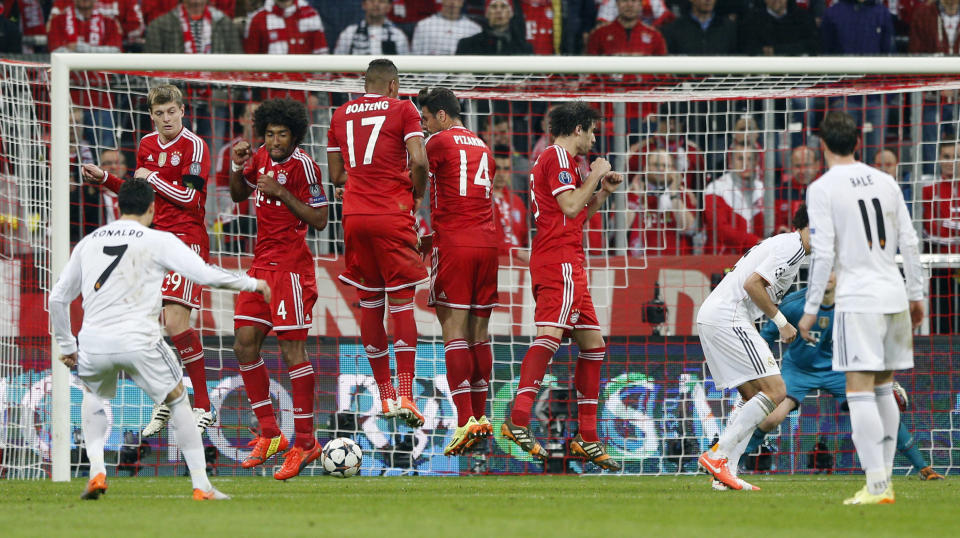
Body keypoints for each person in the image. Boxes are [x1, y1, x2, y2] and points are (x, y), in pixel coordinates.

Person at [50, 178, 270, 501]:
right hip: (140, 340)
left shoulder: (89, 242)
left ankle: (97, 469)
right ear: (153, 209)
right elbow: (205, 274)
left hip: (93, 341)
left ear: (120, 207)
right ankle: (202, 486)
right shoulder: (157, 239)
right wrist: (250, 284)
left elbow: (57, 299)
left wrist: (68, 346)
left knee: (94, 394)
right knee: (178, 399)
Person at [798, 111, 925, 505]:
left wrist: (810, 307)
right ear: (857, 142)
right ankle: (883, 481)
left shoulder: (822, 188)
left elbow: (822, 254)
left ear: (822, 147)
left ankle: (876, 485)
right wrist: (917, 294)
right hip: (893, 294)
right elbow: (910, 240)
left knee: (859, 391)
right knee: (884, 387)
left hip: (859, 298)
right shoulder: (886, 181)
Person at [84, 85, 216, 438]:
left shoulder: (195, 146)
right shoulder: (146, 145)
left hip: (186, 242)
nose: (166, 119)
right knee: (146, 328)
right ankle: (168, 398)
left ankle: (202, 405)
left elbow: (189, 198)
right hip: (153, 242)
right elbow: (139, 195)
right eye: (159, 114)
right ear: (151, 116)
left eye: (171, 111)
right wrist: (108, 180)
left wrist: (153, 177)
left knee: (174, 321)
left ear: (183, 111)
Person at [501, 102, 624, 471]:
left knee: (593, 344)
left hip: (568, 260)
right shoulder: (555, 156)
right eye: (593, 131)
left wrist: (601, 190)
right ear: (579, 129)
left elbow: (578, 213)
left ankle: (586, 437)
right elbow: (570, 207)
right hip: (560, 262)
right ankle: (519, 420)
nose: (594, 139)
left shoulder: (561, 162)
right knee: (550, 335)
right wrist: (597, 172)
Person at [749, 277, 945, 481]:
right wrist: (762, 374)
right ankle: (730, 464)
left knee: (880, 410)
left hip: (839, 369)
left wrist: (882, 378)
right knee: (773, 417)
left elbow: (871, 340)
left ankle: (923, 468)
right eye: (820, 269)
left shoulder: (854, 305)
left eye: (831, 270)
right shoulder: (794, 303)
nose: (825, 276)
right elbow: (766, 338)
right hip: (799, 369)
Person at [228, 98, 329, 480]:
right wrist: (240, 165)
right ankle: (270, 432)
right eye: (268, 134)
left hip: (291, 269)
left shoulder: (304, 166)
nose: (273, 141)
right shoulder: (258, 158)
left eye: (281, 134)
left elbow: (320, 219)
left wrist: (283, 193)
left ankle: (305, 442)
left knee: (291, 351)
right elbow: (239, 193)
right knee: (243, 343)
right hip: (259, 267)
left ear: (295, 135)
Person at [327, 59, 429, 428]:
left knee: (370, 303)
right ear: (393, 85)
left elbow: (336, 174)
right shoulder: (404, 108)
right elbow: (418, 159)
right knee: (401, 304)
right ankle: (405, 394)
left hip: (354, 217)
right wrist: (416, 191)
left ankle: (384, 397)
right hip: (392, 213)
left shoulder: (340, 114)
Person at [696, 205, 811, 491]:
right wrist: (782, 322)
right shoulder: (792, 247)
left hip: (714, 316)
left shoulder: (787, 246)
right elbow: (753, 285)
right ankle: (717, 455)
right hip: (728, 317)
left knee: (751, 397)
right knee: (776, 391)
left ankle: (726, 474)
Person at [418, 87, 499, 455]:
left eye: (425, 119)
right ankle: (480, 421)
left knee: (453, 330)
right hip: (487, 244)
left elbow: (416, 174)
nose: (423, 126)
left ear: (442, 116)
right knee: (479, 333)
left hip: (455, 245)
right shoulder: (482, 146)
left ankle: (465, 420)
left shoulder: (438, 142)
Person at [625, 150, 697, 256]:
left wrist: (674, 195)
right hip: (639, 264)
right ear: (646, 168)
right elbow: (617, 231)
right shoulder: (631, 193)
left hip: (677, 264)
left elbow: (690, 229)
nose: (662, 169)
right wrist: (636, 199)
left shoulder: (683, 195)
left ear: (673, 170)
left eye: (666, 166)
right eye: (656, 165)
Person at [920, 139, 960, 334]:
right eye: (946, 156)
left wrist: (948, 225)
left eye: (956, 157)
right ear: (938, 159)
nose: (951, 161)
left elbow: (941, 228)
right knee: (941, 321)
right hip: (939, 264)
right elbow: (931, 232)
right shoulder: (928, 190)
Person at [702, 147, 764, 254]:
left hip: (756, 259)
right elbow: (720, 229)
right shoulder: (715, 188)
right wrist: (754, 241)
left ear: (756, 163)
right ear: (730, 162)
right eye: (740, 159)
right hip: (721, 259)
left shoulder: (762, 188)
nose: (746, 164)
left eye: (750, 159)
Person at [244, 0, 328, 54]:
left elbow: (321, 53)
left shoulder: (310, 14)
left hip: (305, 80)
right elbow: (250, 58)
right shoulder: (258, 19)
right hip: (271, 80)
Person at [586, 0, 667, 56]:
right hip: (610, 81)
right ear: (617, 4)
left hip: (644, 81)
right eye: (624, 0)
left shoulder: (655, 36)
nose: (629, 5)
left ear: (641, 4)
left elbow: (663, 74)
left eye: (634, 1)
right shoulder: (599, 34)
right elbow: (589, 71)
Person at [492, 146, 529, 262]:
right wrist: (516, 252)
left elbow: (524, 240)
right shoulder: (481, 201)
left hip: (518, 269)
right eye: (497, 168)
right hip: (492, 265)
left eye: (506, 169)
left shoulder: (517, 202)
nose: (502, 174)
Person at [739, 0, 818, 56]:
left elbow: (812, 46)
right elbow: (749, 48)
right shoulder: (752, 19)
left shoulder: (803, 17)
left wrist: (775, 50)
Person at [661, 0, 738, 55]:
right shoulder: (674, 29)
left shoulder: (729, 28)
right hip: (688, 77)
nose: (708, 0)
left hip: (720, 78)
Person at [455, 0, 531, 55]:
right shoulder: (467, 45)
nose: (498, 11)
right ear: (487, 13)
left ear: (511, 13)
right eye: (494, 7)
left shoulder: (524, 48)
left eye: (503, 6)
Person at [334, 0, 410, 55]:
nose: (376, 4)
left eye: (381, 1)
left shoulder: (398, 36)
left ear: (389, 7)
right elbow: (336, 64)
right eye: (371, 0)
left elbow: (406, 67)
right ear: (364, 5)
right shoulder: (349, 33)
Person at [774, 145, 820, 232]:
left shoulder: (825, 188)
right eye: (797, 166)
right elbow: (775, 225)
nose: (802, 171)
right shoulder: (781, 190)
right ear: (791, 166)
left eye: (806, 165)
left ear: (817, 165)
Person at [411, 0, 481, 55]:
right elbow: (415, 56)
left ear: (462, 2)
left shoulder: (475, 29)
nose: (452, 2)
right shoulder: (423, 26)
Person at [98, 148, 129, 223]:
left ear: (125, 167)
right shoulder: (89, 195)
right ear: (99, 167)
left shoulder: (136, 192)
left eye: (118, 163)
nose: (113, 167)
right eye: (108, 163)